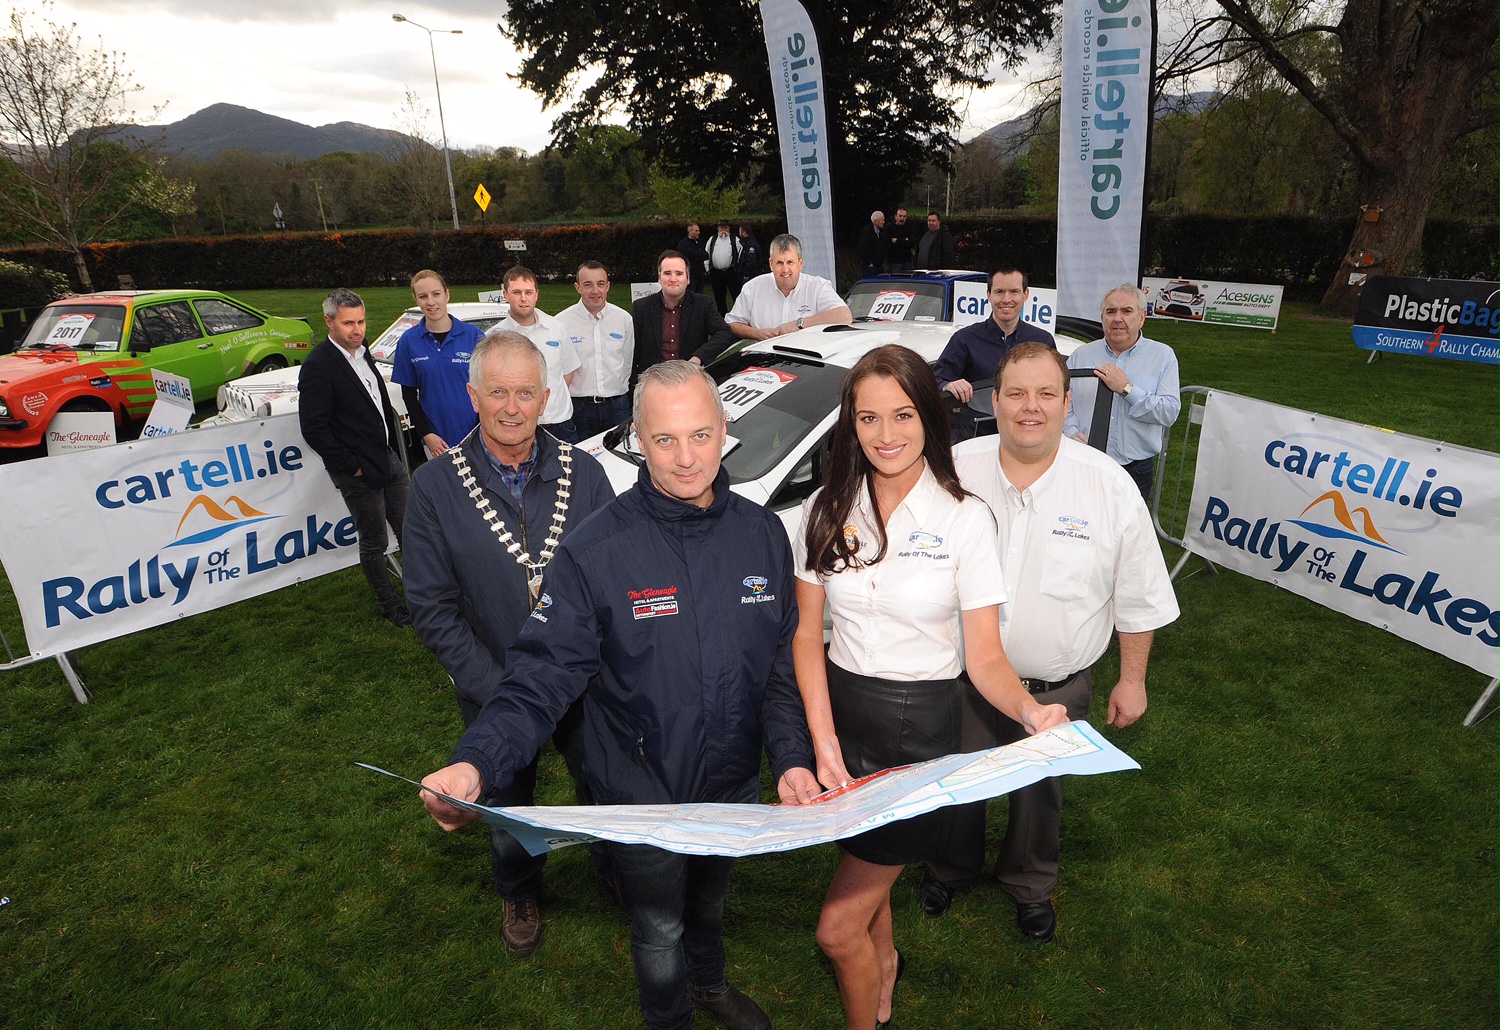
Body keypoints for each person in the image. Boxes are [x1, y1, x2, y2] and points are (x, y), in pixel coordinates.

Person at [420, 360, 820, 1030]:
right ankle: (669, 1017)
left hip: (730, 788)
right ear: (638, 438)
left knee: (710, 903)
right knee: (658, 926)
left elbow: (779, 668)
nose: (686, 457)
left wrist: (791, 759)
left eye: (700, 435)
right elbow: (538, 674)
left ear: (725, 431)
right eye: (664, 440)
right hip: (642, 796)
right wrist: (477, 762)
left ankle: (711, 980)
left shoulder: (762, 535)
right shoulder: (595, 551)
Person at [791, 344, 1069, 1030]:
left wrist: (1032, 710)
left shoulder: (965, 520)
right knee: (870, 873)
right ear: (850, 426)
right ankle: (884, 965)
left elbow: (985, 660)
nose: (886, 435)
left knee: (836, 925)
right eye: (869, 418)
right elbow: (805, 637)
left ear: (930, 418)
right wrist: (822, 742)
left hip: (918, 735)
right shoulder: (825, 510)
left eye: (903, 415)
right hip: (842, 723)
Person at [919, 342, 1179, 941]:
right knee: (958, 782)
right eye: (1015, 394)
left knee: (1041, 798)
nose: (1028, 408)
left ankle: (1030, 885)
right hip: (964, 682)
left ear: (1067, 403)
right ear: (995, 399)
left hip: (1059, 687)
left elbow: (1139, 594)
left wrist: (1133, 679)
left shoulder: (1108, 486)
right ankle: (949, 870)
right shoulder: (957, 469)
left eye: (1044, 395)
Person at [403, 329, 616, 957]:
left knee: (602, 782)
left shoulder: (588, 474)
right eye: (498, 392)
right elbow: (433, 609)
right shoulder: (435, 487)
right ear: (473, 396)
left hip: (584, 684)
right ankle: (519, 888)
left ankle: (614, 863)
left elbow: (613, 583)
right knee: (506, 797)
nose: (512, 406)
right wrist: (507, 695)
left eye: (526, 392)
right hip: (491, 683)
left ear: (547, 397)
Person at [298, 288, 411, 626]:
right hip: (360, 472)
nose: (357, 329)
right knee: (375, 541)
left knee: (411, 531)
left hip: (388, 459)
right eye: (348, 323)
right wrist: (353, 467)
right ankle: (390, 605)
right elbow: (314, 428)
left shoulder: (363, 354)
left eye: (361, 321)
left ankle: (425, 593)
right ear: (329, 321)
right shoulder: (319, 365)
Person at [1063, 284, 1182, 499]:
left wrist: (1127, 389)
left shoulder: (1163, 356)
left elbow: (1169, 412)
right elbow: (1061, 402)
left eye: (1127, 311)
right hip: (1084, 460)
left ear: (1142, 317)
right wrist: (1070, 431)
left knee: (1128, 531)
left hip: (1135, 469)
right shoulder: (1081, 355)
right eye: (1111, 311)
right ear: (1102, 317)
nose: (1118, 318)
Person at [933, 267, 1056, 440]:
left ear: (1026, 295)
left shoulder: (1043, 341)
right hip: (978, 436)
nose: (1007, 299)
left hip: (1029, 435)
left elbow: (1056, 387)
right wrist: (948, 385)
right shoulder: (965, 339)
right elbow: (935, 381)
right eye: (999, 292)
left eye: (1014, 292)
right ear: (989, 295)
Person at [391, 269, 485, 458]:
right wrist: (426, 434)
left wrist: (483, 430)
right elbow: (408, 395)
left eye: (436, 294)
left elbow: (489, 387)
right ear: (416, 299)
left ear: (447, 294)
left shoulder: (473, 336)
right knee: (443, 487)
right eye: (423, 296)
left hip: (477, 436)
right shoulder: (408, 341)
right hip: (437, 441)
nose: (431, 302)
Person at [498, 265, 582, 442]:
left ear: (536, 294)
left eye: (528, 292)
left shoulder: (557, 328)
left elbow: (567, 373)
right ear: (505, 295)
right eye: (516, 292)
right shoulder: (495, 337)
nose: (523, 299)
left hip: (560, 425)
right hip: (519, 426)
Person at [630, 250, 736, 381]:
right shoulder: (641, 308)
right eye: (667, 273)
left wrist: (698, 358)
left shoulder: (702, 304)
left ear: (688, 278)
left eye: (679, 274)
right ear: (659, 278)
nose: (673, 279)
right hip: (653, 383)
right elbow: (632, 351)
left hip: (689, 380)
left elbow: (724, 332)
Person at [557, 261, 635, 439]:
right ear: (577, 287)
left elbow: (627, 361)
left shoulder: (623, 319)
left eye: (600, 284)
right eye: (588, 285)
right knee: (581, 461)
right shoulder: (561, 322)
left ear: (608, 286)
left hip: (618, 406)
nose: (595, 291)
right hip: (580, 408)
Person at [726, 233, 853, 342]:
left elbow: (844, 316)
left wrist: (799, 324)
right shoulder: (753, 288)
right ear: (771, 264)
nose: (785, 269)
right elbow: (732, 323)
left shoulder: (817, 286)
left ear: (800, 263)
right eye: (779, 263)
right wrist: (758, 334)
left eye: (790, 262)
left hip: (806, 362)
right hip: (763, 361)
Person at [705, 220, 743, 315]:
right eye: (721, 227)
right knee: (719, 296)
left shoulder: (735, 239)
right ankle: (722, 316)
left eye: (726, 228)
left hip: (731, 272)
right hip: (716, 273)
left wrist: (737, 267)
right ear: (718, 228)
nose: (723, 230)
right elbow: (706, 254)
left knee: (736, 295)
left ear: (729, 229)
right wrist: (707, 268)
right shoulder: (712, 239)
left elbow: (741, 254)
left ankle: (738, 315)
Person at [677, 222, 711, 295]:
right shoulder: (684, 244)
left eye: (698, 231)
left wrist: (697, 256)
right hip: (690, 274)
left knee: (700, 295)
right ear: (690, 231)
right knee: (691, 294)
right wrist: (698, 255)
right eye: (696, 231)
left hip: (700, 274)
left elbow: (706, 255)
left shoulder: (699, 242)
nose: (698, 232)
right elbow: (690, 255)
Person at [885, 208, 915, 274]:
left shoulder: (909, 228)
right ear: (896, 216)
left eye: (904, 216)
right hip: (894, 262)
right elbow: (890, 245)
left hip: (907, 262)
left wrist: (897, 241)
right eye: (900, 216)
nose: (902, 218)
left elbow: (911, 244)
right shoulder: (889, 228)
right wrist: (904, 241)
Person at [857, 211, 887, 277]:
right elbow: (863, 248)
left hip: (879, 265)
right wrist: (869, 263)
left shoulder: (882, 231)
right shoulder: (866, 231)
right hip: (870, 266)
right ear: (876, 221)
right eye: (882, 220)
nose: (884, 222)